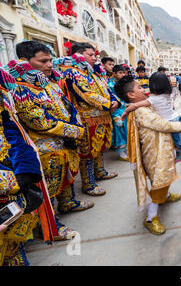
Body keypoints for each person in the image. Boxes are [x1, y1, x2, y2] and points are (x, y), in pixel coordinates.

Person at [7, 41, 93, 240]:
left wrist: (75, 126)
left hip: (63, 140)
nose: (49, 65)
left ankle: (68, 203)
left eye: (50, 60)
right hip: (43, 146)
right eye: (43, 61)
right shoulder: (20, 88)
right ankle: (51, 225)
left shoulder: (48, 82)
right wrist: (75, 131)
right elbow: (39, 122)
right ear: (25, 62)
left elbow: (67, 106)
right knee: (48, 188)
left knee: (66, 178)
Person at [114, 76, 181, 235]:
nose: (144, 90)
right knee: (159, 182)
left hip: (160, 149)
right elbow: (162, 125)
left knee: (164, 178)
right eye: (139, 88)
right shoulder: (141, 111)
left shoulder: (141, 106)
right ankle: (151, 218)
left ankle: (165, 196)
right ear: (131, 95)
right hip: (155, 154)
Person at [0, 67, 54, 265]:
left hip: (9, 170)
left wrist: (23, 168)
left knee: (12, 242)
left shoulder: (3, 89)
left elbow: (10, 130)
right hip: (7, 178)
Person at [56, 42, 119, 197]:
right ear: (78, 55)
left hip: (102, 116)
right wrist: (107, 104)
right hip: (87, 118)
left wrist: (114, 100)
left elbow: (106, 88)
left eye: (94, 55)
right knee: (87, 152)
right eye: (90, 55)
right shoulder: (71, 72)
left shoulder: (91, 72)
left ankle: (100, 172)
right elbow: (85, 93)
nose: (94, 58)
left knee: (99, 147)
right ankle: (88, 184)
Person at [122, 72, 181, 177]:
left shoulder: (153, 99)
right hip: (175, 117)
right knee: (175, 141)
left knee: (179, 143)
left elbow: (136, 105)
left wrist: (126, 111)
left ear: (154, 86)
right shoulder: (167, 94)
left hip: (171, 121)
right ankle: (180, 155)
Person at [108, 65, 129, 162]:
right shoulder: (110, 85)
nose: (123, 74)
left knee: (125, 130)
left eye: (124, 72)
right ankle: (121, 153)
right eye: (120, 72)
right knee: (119, 131)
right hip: (117, 111)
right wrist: (115, 114)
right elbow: (112, 100)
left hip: (124, 109)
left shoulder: (120, 83)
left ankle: (125, 151)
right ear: (114, 73)